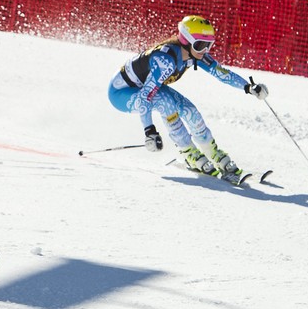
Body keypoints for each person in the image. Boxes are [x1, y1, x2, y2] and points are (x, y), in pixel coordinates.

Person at [108, 15, 269, 183]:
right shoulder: (166, 61)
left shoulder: (194, 54)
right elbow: (145, 97)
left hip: (144, 88)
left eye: (208, 45)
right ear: (186, 41)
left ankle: (213, 153)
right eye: (200, 45)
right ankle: (190, 154)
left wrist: (249, 87)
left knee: (189, 110)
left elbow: (221, 73)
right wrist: (150, 131)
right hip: (121, 92)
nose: (204, 50)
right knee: (166, 103)